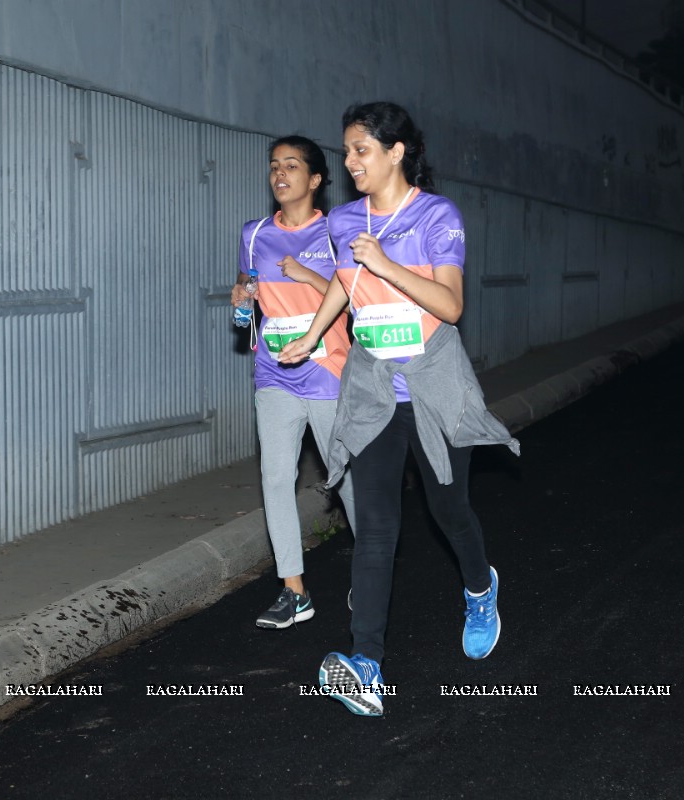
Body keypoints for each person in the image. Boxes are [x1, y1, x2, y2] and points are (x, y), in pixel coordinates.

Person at [278, 102, 519, 717]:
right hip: (374, 387)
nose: (350, 162)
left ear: (396, 152)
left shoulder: (437, 216)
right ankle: (366, 663)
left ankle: (479, 587)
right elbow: (342, 278)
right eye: (348, 150)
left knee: (449, 509)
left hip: (433, 384)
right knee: (377, 525)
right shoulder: (344, 220)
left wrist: (387, 264)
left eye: (361, 149)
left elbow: (452, 304)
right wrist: (312, 334)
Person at [231, 135, 356, 630]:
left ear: (317, 178)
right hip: (274, 373)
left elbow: (353, 296)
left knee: (346, 478)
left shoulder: (337, 231)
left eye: (292, 165)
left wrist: (304, 273)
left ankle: (370, 577)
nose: (280, 174)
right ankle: (294, 591)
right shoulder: (254, 232)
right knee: (276, 480)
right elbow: (246, 302)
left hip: (329, 373)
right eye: (274, 166)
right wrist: (241, 304)